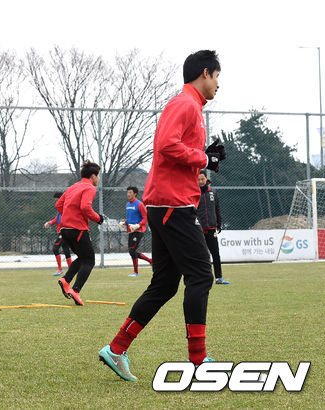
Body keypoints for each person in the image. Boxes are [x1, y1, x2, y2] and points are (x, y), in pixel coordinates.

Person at [99, 50, 226, 381]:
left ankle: (116, 349)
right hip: (173, 205)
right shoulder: (185, 104)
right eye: (217, 76)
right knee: (201, 276)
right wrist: (204, 159)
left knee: (166, 284)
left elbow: (179, 151)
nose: (218, 84)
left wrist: (205, 157)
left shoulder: (192, 106)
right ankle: (198, 360)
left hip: (168, 204)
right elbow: (167, 145)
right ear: (205, 73)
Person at [56, 161, 105, 306]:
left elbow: (58, 205)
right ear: (93, 176)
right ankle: (75, 290)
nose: (99, 179)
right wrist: (98, 219)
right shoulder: (89, 188)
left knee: (83, 257)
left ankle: (66, 280)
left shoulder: (72, 187)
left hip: (65, 229)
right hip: (77, 229)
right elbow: (85, 207)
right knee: (89, 260)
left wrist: (68, 216)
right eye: (98, 176)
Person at [197, 171, 229, 284]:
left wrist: (219, 224)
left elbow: (217, 209)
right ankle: (201, 278)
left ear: (206, 179)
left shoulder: (213, 192)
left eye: (202, 179)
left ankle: (219, 278)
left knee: (215, 253)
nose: (200, 181)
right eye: (198, 179)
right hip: (198, 229)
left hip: (211, 228)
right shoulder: (194, 193)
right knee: (200, 255)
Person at [119, 186, 152, 277]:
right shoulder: (127, 204)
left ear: (135, 194)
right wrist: (124, 223)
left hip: (138, 230)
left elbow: (146, 218)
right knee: (132, 251)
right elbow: (130, 218)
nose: (128, 194)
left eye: (130, 192)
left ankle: (136, 272)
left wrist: (138, 225)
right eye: (128, 192)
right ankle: (150, 261)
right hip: (131, 230)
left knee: (132, 250)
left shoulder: (139, 204)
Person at [44, 192, 72, 276]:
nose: (56, 202)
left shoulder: (66, 207)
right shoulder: (60, 208)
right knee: (66, 250)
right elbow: (57, 219)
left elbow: (67, 220)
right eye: (56, 201)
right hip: (62, 231)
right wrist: (49, 223)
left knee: (55, 249)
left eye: (57, 200)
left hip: (63, 232)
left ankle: (60, 269)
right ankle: (71, 270)